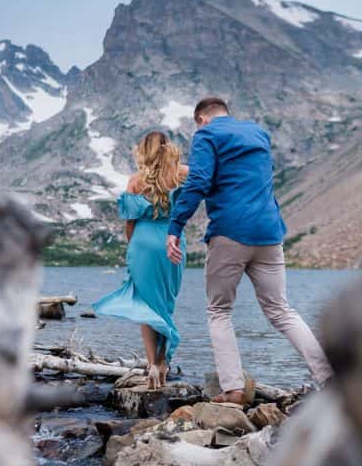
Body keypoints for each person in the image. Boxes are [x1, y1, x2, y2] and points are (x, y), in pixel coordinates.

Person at [166, 98, 333, 404]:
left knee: (219, 311)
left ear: (202, 119)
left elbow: (201, 180)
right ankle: (329, 377)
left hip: (230, 232)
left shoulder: (206, 135)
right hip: (269, 233)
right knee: (281, 311)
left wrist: (175, 226)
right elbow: (250, 176)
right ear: (225, 113)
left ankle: (233, 389)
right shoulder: (257, 133)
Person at [93, 131, 189, 389]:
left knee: (146, 305)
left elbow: (129, 224)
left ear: (143, 151)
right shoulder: (181, 174)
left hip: (142, 244)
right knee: (165, 303)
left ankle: (152, 366)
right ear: (167, 148)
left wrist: (132, 248)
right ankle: (163, 361)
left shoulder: (135, 181)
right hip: (172, 240)